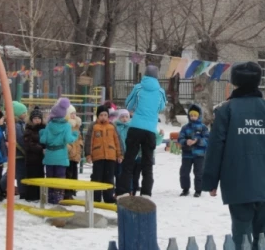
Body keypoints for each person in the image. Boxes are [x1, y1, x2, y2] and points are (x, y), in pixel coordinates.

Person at [202, 61, 265, 250]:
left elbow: (215, 147)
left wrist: (210, 181)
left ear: (235, 82)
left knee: (241, 231)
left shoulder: (227, 110)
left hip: (237, 179)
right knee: (264, 231)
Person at [116, 65, 166, 199]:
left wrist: (137, 108)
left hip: (136, 127)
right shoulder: (161, 91)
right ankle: (146, 193)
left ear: (145, 74)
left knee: (129, 160)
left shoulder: (138, 87)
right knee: (147, 162)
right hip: (150, 130)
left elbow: (128, 104)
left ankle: (124, 191)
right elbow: (162, 106)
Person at [40, 98, 79, 204]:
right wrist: (75, 135)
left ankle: (50, 196)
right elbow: (68, 139)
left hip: (49, 156)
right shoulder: (66, 126)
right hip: (61, 155)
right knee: (60, 177)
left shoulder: (49, 125)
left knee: (50, 177)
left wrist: (41, 132)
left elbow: (43, 139)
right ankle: (58, 196)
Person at [85, 105, 122, 203]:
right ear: (97, 116)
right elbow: (89, 140)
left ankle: (108, 197)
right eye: (101, 115)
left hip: (111, 156)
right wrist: (88, 154)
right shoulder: (93, 126)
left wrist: (120, 154)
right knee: (97, 177)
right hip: (98, 156)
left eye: (105, 115)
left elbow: (117, 141)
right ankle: (95, 197)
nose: (103, 117)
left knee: (109, 178)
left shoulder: (112, 126)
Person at [178, 104, 209, 197]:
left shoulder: (203, 127)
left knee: (199, 172)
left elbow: (207, 140)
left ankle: (198, 190)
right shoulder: (185, 127)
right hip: (187, 154)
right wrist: (186, 141)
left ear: (198, 116)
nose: (193, 117)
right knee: (184, 172)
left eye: (195, 115)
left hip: (199, 154)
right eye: (191, 115)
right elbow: (180, 138)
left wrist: (197, 141)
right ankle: (185, 188)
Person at [23, 107, 45, 202]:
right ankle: (31, 196)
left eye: (39, 118)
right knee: (32, 177)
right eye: (35, 118)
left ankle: (38, 195)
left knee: (40, 176)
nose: (37, 120)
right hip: (31, 159)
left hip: (40, 159)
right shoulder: (29, 130)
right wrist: (41, 149)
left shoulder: (43, 129)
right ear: (32, 119)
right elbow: (29, 145)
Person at [65, 105, 84, 199]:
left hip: (75, 152)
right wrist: (69, 146)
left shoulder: (76, 125)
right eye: (71, 113)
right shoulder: (66, 125)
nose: (73, 115)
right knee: (68, 173)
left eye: (74, 113)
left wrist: (80, 145)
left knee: (74, 172)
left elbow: (79, 138)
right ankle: (67, 191)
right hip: (68, 153)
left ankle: (72, 190)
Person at [12, 101, 28, 198]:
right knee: (20, 173)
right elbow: (20, 139)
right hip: (19, 154)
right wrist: (25, 150)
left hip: (21, 153)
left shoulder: (21, 124)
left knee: (20, 173)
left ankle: (23, 190)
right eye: (23, 113)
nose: (25, 114)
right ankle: (23, 192)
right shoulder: (16, 125)